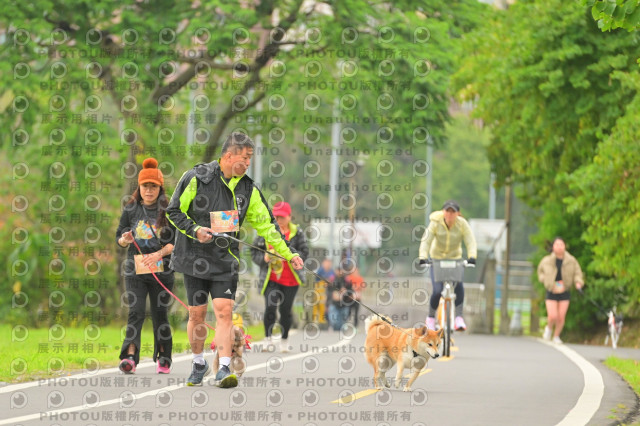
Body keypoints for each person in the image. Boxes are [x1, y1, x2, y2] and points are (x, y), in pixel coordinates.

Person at [166, 132, 304, 388]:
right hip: (194, 258)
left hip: (224, 261)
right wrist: (196, 230)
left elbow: (268, 227)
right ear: (229, 155)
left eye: (251, 158)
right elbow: (173, 211)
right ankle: (198, 363)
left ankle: (224, 368)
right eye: (246, 157)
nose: (249, 162)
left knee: (224, 311)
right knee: (197, 315)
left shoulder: (248, 189)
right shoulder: (196, 177)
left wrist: (290, 254)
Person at [116, 158, 176, 374]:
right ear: (139, 187)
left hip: (162, 271)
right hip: (135, 271)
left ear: (160, 188)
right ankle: (130, 357)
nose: (149, 191)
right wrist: (125, 240)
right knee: (136, 312)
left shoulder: (169, 210)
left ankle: (164, 357)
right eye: (145, 186)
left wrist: (159, 254)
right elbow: (119, 238)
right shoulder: (131, 209)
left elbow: (175, 243)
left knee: (160, 314)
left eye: (153, 186)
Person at [251, 201, 308, 353]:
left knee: (285, 310)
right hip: (271, 278)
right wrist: (264, 258)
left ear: (289, 217)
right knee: (270, 307)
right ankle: (267, 339)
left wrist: (291, 256)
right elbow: (254, 251)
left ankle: (284, 340)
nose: (278, 220)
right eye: (276, 217)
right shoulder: (266, 231)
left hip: (291, 280)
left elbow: (305, 252)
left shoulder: (298, 233)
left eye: (282, 217)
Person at [419, 200, 477, 331]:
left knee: (459, 286)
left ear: (458, 214)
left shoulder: (462, 224)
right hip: (437, 259)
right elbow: (426, 241)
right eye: (447, 211)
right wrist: (423, 257)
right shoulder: (435, 222)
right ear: (443, 212)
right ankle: (430, 318)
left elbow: (470, 240)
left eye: (453, 212)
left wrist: (472, 256)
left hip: (455, 259)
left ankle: (458, 318)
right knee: (437, 291)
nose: (450, 214)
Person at [537, 237, 584, 344]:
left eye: (561, 244)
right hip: (551, 289)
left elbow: (577, 273)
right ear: (553, 247)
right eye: (557, 245)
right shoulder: (546, 260)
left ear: (565, 246)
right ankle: (549, 328)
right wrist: (544, 279)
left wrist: (578, 282)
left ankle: (556, 335)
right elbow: (540, 272)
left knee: (561, 317)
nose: (559, 247)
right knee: (552, 315)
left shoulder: (571, 260)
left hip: (564, 289)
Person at [326, 267, 353, 331]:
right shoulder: (331, 280)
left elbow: (351, 293)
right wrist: (333, 295)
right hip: (334, 304)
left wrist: (346, 292)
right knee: (334, 322)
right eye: (338, 271)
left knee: (342, 324)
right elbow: (328, 292)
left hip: (344, 305)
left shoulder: (347, 281)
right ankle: (334, 329)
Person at [313, 258, 335, 325]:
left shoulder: (331, 271)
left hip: (327, 290)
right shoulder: (320, 270)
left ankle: (322, 320)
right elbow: (318, 278)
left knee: (323, 305)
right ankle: (315, 319)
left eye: (329, 263)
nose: (328, 264)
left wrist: (329, 281)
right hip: (319, 289)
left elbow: (332, 278)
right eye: (327, 263)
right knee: (316, 304)